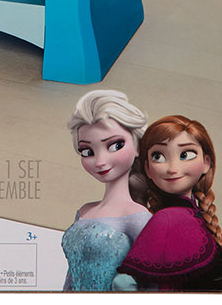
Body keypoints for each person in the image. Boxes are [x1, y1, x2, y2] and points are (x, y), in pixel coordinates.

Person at [115, 115, 222, 291]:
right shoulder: (167, 218)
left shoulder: (198, 215)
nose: (172, 169)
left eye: (186, 155)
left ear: (206, 162)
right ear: (147, 168)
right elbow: (123, 283)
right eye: (158, 156)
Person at [61, 90, 153, 291]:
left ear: (137, 146)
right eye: (88, 152)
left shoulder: (138, 218)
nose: (100, 162)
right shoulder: (84, 211)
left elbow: (152, 283)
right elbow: (72, 275)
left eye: (115, 145)